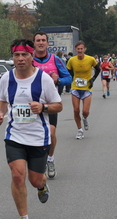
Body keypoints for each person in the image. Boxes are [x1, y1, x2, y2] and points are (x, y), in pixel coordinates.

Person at [0, 39, 62, 219]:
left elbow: (58, 105)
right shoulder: (6, 78)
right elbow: (2, 100)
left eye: (25, 54)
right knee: (17, 176)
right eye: (17, 55)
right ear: (12, 57)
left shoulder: (44, 79)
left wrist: (43, 107)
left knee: (35, 180)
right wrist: (0, 114)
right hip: (15, 135)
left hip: (38, 137)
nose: (21, 58)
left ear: (32, 56)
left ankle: (42, 186)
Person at [33, 31, 71, 178]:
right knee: (35, 136)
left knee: (51, 133)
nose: (41, 43)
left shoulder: (55, 60)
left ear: (47, 43)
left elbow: (69, 78)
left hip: (51, 104)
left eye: (43, 40)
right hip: (33, 105)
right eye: (38, 40)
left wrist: (59, 80)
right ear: (34, 44)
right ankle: (37, 162)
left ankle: (50, 158)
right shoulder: (30, 61)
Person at [66, 41, 100, 140]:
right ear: (75, 50)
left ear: (84, 49)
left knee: (85, 111)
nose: (80, 51)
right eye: (78, 49)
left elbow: (98, 69)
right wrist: (72, 80)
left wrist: (92, 79)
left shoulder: (91, 59)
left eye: (81, 49)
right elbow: (69, 72)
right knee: (76, 110)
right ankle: (80, 130)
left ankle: (85, 118)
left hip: (86, 88)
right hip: (75, 87)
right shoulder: (72, 60)